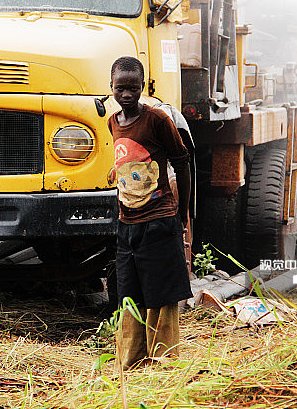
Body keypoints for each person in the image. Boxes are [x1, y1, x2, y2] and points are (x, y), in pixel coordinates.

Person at [108, 56, 192, 370]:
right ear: (112, 88)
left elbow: (181, 163)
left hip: (159, 220)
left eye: (133, 87)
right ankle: (129, 368)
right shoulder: (113, 122)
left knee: (162, 296)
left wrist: (181, 214)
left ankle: (164, 369)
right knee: (129, 298)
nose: (127, 94)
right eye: (121, 88)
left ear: (143, 87)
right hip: (127, 224)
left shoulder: (158, 120)